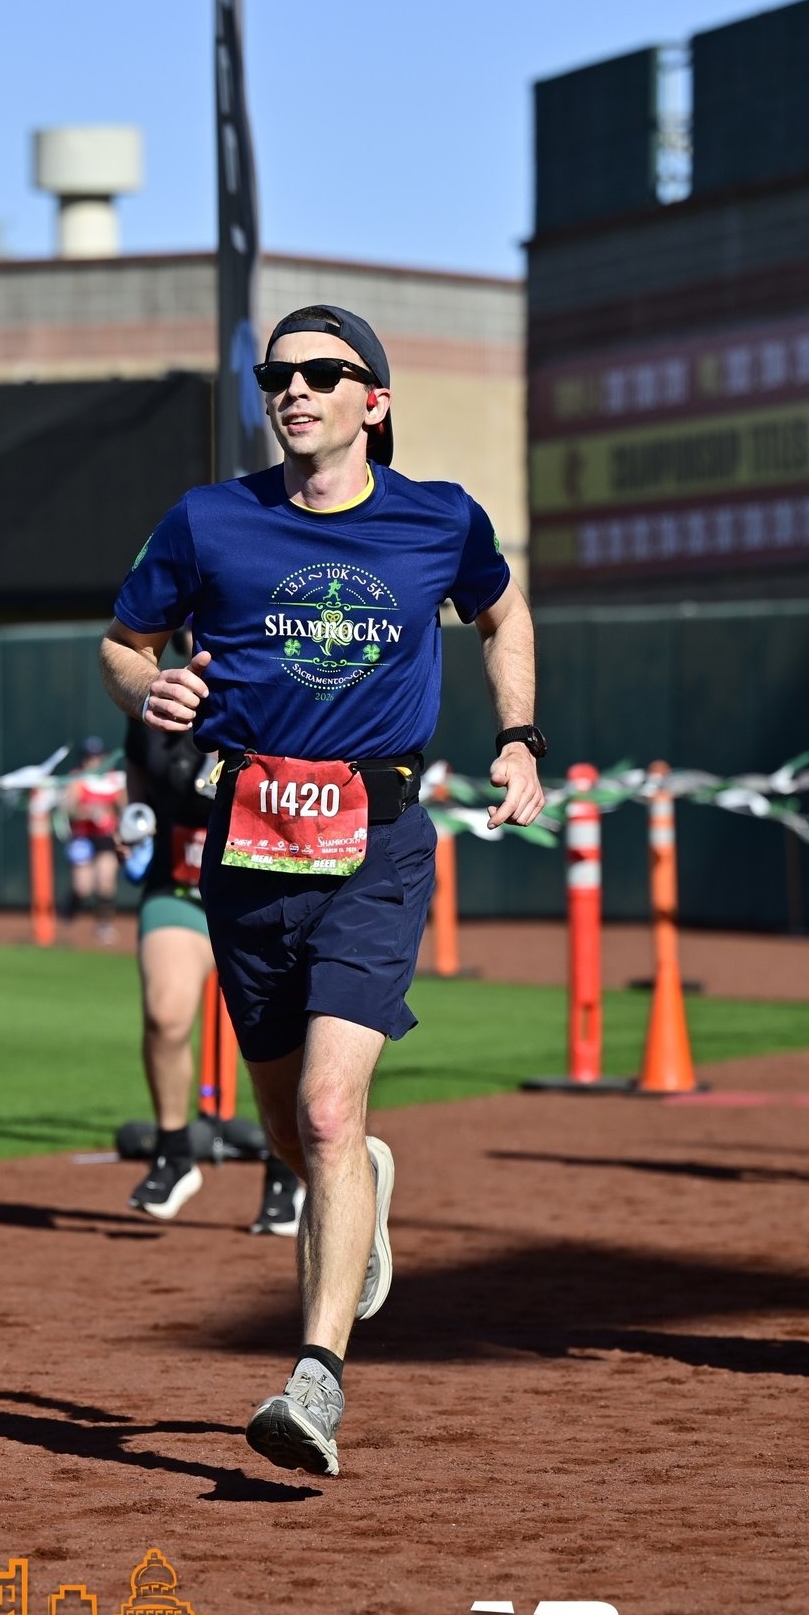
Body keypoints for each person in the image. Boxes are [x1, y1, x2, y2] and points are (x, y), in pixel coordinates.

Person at [100, 303, 544, 1477]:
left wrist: (518, 737)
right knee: (300, 1130)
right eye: (276, 375)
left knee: (326, 1115)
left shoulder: (437, 519)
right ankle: (360, 1189)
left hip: (378, 839)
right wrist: (146, 692)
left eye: (320, 374)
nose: (292, 391)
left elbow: (501, 614)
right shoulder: (210, 520)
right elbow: (122, 639)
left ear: (372, 401)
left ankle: (314, 1381)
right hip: (243, 847)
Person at [123, 688, 307, 1235]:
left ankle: (287, 1172)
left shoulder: (274, 677)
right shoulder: (154, 689)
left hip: (264, 882)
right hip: (180, 885)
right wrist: (134, 817)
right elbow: (139, 766)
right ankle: (175, 1154)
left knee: (281, 1034)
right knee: (166, 1013)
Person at [62, 739, 127, 942]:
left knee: (106, 881)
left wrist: (113, 812)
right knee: (83, 886)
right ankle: (68, 915)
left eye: (98, 757)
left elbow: (124, 807)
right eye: (90, 757)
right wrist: (86, 812)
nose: (95, 761)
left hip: (106, 838)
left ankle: (103, 924)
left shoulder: (115, 780)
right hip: (83, 837)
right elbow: (69, 811)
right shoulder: (77, 779)